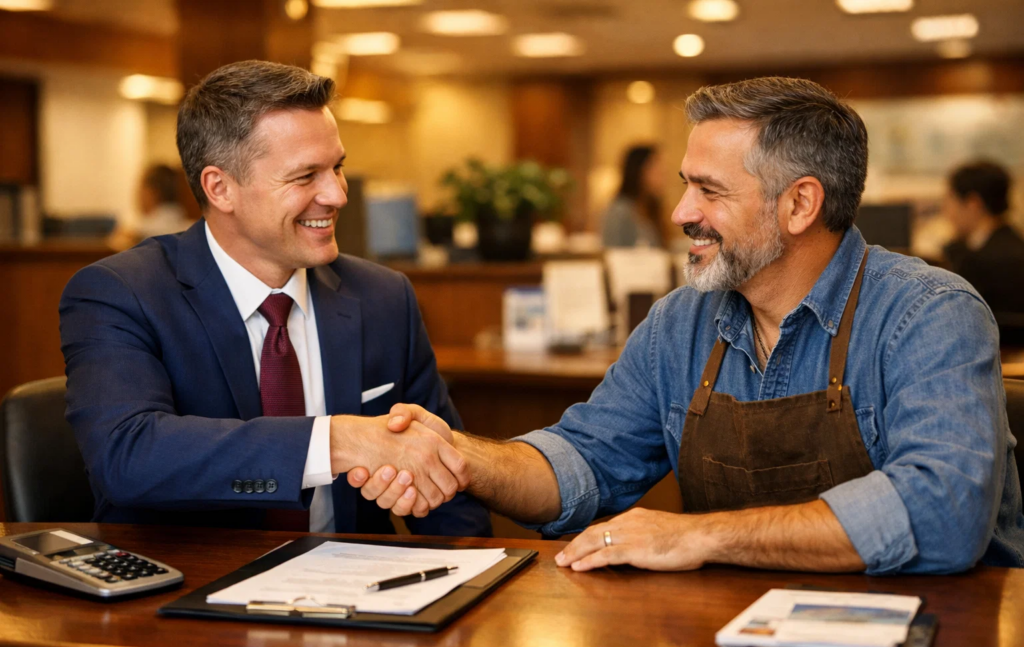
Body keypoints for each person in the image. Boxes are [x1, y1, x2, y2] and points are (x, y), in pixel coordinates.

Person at [352, 76, 1024, 575]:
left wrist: (700, 535)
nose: (679, 212)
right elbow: (585, 462)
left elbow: (942, 512)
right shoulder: (680, 322)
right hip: (732, 634)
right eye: (683, 185)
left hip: (936, 635)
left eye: (709, 190)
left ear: (800, 205)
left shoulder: (929, 313)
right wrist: (462, 458)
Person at [59, 60, 490, 537]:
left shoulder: (385, 297)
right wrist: (335, 442)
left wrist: (470, 569)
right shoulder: (122, 293)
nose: (337, 195)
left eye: (337, 167)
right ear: (220, 188)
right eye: (305, 176)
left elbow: (448, 484)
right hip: (193, 577)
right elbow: (127, 457)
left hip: (355, 576)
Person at [943, 161, 1024, 343]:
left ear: (973, 204)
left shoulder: (977, 261)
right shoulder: (1017, 244)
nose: (947, 212)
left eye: (950, 201)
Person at [106, 164, 192, 251]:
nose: (138, 195)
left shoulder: (139, 235)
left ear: (151, 192)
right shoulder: (193, 230)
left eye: (141, 188)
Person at [602, 145, 666, 248]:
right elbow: (612, 250)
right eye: (656, 169)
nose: (662, 175)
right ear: (639, 171)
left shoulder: (650, 207)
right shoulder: (619, 210)